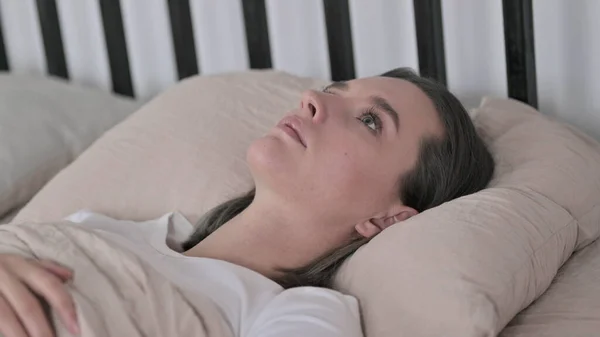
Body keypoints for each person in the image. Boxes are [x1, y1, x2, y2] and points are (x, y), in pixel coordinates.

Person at [0, 68, 495, 337]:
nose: (311, 99)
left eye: (370, 121)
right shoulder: (106, 230)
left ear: (387, 218)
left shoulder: (302, 313)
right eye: (331, 90)